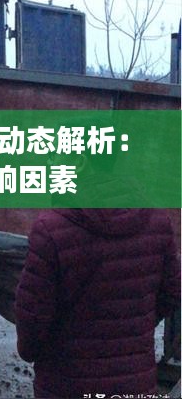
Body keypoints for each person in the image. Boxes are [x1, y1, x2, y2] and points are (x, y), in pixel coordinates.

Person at [14, 128, 181, 398]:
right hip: (134, 385)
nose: (49, 162)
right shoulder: (157, 221)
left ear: (80, 162)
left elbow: (32, 321)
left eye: (56, 155)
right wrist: (132, 331)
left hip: (67, 385)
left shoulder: (51, 230)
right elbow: (171, 293)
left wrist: (36, 352)